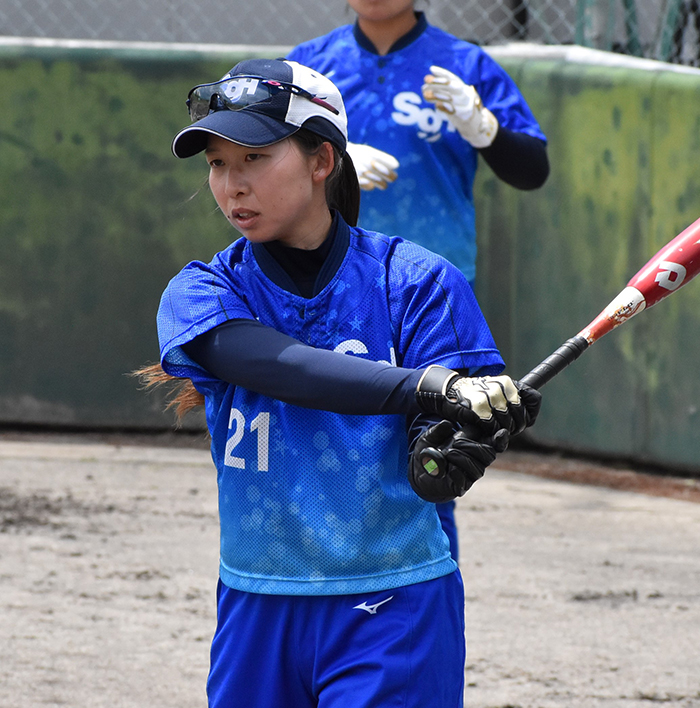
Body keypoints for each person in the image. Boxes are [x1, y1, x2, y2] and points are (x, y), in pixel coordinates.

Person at [136, 58, 541, 707]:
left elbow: (437, 446)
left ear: (321, 160)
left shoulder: (417, 283)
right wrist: (430, 389)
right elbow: (272, 364)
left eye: (254, 158)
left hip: (393, 602)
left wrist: (452, 449)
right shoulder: (204, 290)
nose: (231, 185)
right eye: (217, 164)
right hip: (256, 602)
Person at [287, 0, 550, 558]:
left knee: (435, 449)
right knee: (320, 441)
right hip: (324, 285)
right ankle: (318, 579)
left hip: (427, 297)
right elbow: (259, 160)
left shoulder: (464, 64)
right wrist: (329, 159)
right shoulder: (310, 67)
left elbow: (531, 168)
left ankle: (425, 587)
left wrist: (484, 127)